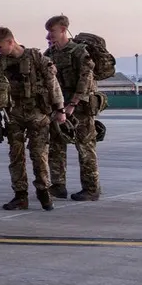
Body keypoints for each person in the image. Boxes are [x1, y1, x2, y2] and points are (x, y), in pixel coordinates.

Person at [0, 26, 65, 211]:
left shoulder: (36, 57)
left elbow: (53, 84)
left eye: (0, 46)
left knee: (39, 154)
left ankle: (43, 191)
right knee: (16, 156)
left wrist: (60, 109)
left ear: (10, 41)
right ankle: (20, 195)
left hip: (38, 113)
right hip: (13, 114)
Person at [45, 15, 101, 201]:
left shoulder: (79, 52)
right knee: (56, 146)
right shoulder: (50, 54)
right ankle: (58, 185)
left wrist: (73, 104)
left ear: (63, 30)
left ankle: (91, 188)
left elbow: (86, 80)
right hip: (59, 107)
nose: (49, 36)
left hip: (80, 107)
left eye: (52, 31)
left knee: (85, 147)